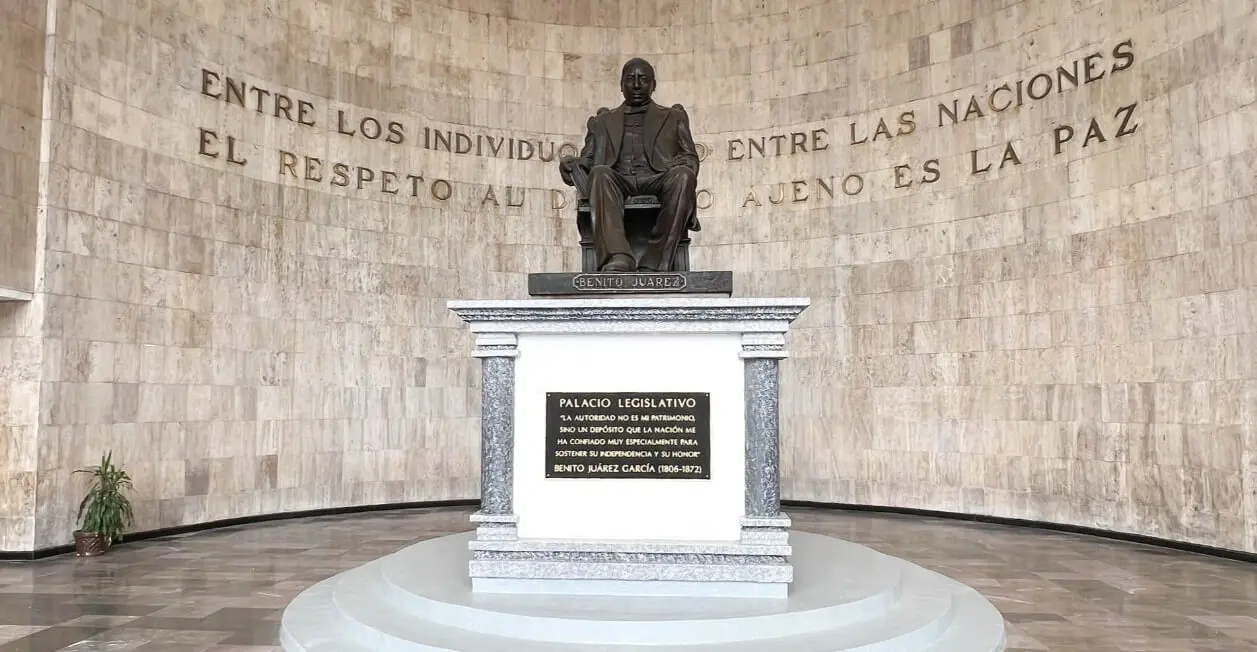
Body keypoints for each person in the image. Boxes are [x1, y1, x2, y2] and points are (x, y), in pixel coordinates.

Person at [559, 58, 700, 272]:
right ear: (621, 85)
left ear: (653, 84)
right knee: (599, 173)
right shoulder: (602, 121)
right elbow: (588, 159)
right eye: (630, 79)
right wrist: (570, 166)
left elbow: (690, 156)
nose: (636, 85)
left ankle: (655, 261)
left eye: (642, 79)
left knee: (684, 176)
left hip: (658, 177)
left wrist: (684, 162)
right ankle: (618, 256)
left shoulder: (673, 116)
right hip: (618, 179)